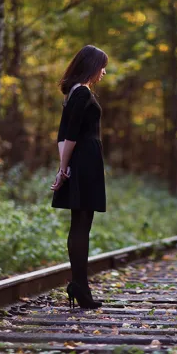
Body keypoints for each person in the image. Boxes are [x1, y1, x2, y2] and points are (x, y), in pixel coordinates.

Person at [50, 45, 108, 309]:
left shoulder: (76, 92)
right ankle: (80, 287)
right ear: (91, 66)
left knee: (81, 224)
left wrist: (64, 167)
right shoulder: (82, 92)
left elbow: (63, 136)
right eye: (102, 66)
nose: (104, 72)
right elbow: (69, 136)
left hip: (82, 161)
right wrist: (64, 169)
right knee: (82, 225)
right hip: (84, 162)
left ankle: (80, 285)